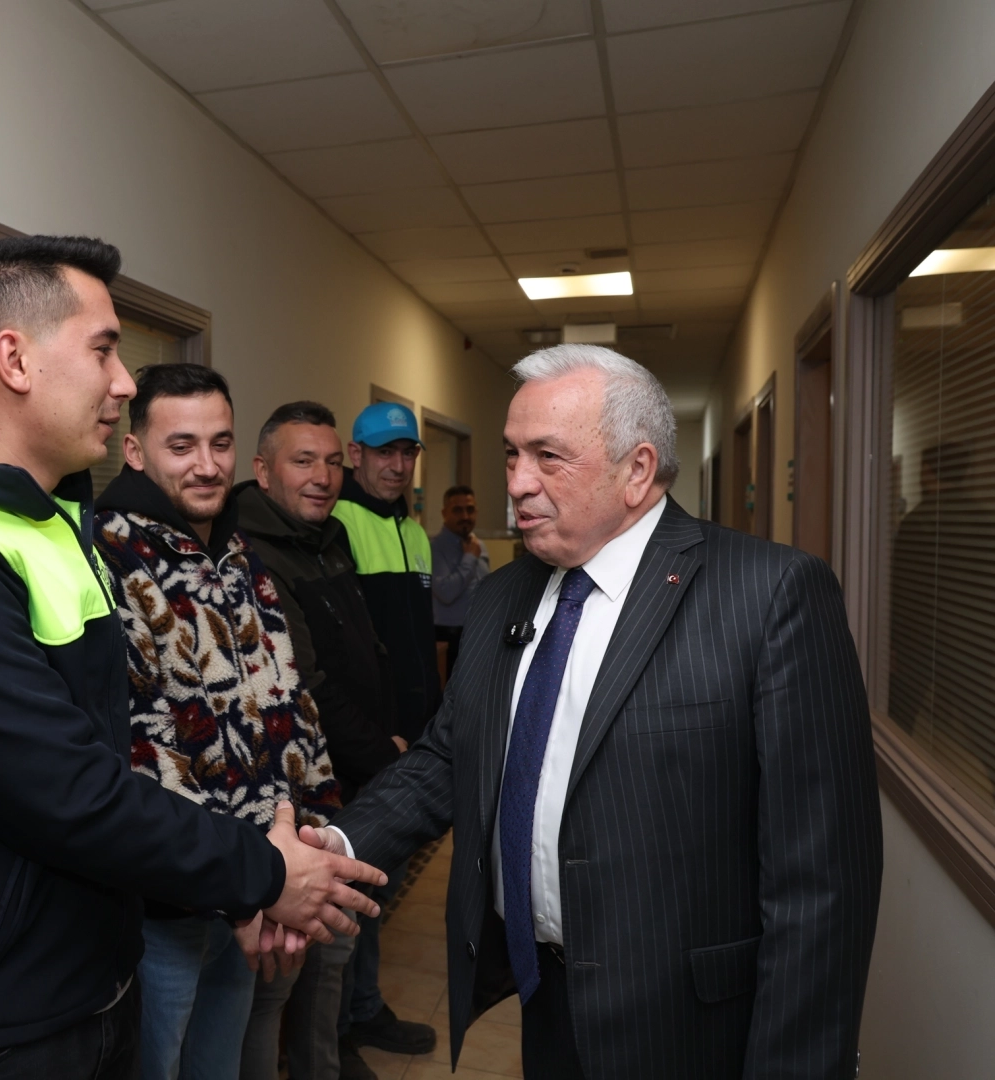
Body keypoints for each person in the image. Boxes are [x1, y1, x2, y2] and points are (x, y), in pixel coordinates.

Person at [0, 235, 385, 1080]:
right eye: (103, 350)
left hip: (90, 974)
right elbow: (66, 790)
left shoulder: (54, 522)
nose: (124, 383)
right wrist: (261, 873)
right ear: (15, 360)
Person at [314, 344, 884, 1079]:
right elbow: (449, 756)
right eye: (512, 453)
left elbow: (822, 885)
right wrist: (334, 845)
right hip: (545, 996)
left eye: (548, 456)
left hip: (691, 1027)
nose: (516, 482)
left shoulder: (770, 596)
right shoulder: (502, 596)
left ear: (637, 470)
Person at [93, 365, 341, 1080]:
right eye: (181, 446)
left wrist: (307, 844)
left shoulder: (239, 554)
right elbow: (143, 743)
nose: (207, 465)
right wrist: (244, 882)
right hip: (172, 900)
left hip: (258, 881)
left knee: (221, 1066)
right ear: (134, 451)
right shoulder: (108, 554)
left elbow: (289, 704)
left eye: (220, 443)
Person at [233, 402, 419, 1080]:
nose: (322, 476)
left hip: (353, 772)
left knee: (341, 933)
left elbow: (369, 652)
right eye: (303, 461)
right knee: (290, 965)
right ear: (263, 471)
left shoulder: (328, 535)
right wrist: (385, 753)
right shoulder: (252, 551)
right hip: (301, 788)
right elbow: (306, 682)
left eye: (333, 462)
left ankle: (333, 1050)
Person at [331, 403, 441, 1064]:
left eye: (407, 453)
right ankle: (338, 1029)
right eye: (384, 452)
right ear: (357, 455)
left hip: (411, 743)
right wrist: (375, 741)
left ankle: (363, 1008)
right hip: (365, 747)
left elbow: (417, 642)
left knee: (375, 886)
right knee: (349, 894)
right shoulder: (338, 525)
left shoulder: (415, 533)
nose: (398, 465)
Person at [431, 484, 488, 672]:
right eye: (457, 510)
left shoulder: (479, 545)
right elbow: (445, 592)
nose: (465, 516)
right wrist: (469, 558)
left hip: (479, 633)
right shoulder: (434, 548)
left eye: (470, 510)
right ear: (444, 513)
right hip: (450, 637)